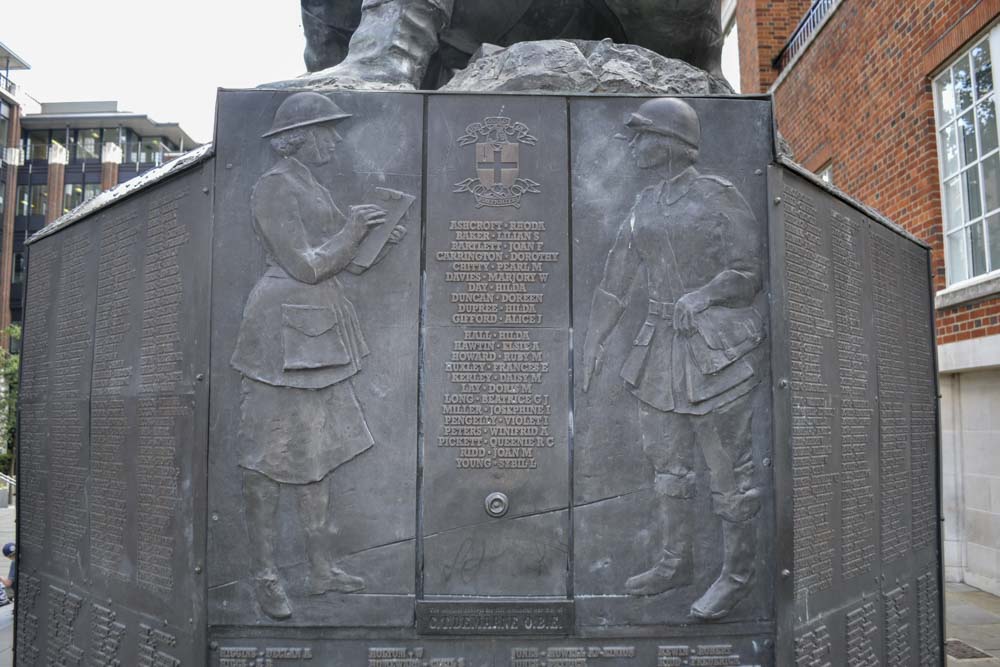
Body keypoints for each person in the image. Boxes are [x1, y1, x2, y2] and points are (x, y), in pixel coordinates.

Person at [581, 98, 765, 620]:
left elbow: (748, 272)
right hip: (658, 351)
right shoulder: (643, 205)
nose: (634, 148)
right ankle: (673, 562)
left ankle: (735, 576)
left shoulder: (718, 197)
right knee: (668, 463)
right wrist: (593, 343)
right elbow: (615, 284)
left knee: (730, 472)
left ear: (668, 144)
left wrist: (704, 294)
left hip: (714, 352)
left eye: (641, 138)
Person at [231, 92, 404, 620]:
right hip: (280, 337)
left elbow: (340, 262)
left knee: (319, 456)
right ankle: (265, 573)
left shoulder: (312, 184)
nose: (335, 140)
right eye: (327, 131)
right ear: (299, 138)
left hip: (321, 332)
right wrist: (353, 230)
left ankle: (320, 568)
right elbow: (305, 264)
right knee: (266, 458)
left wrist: (375, 239)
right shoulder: (273, 186)